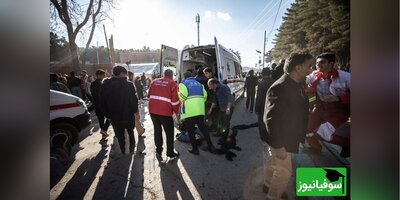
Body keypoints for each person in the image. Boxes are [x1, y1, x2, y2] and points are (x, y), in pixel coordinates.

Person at [263, 52, 313, 199]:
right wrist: (278, 146)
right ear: (298, 68)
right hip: (281, 139)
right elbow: (270, 119)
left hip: (287, 136)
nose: (311, 69)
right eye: (309, 66)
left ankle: (267, 185)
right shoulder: (280, 87)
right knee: (284, 172)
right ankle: (272, 196)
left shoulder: (298, 84)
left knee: (272, 162)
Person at [305, 52, 351, 157]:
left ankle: (348, 144)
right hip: (320, 107)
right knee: (306, 127)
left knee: (323, 133)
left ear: (331, 64)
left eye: (322, 62)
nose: (318, 65)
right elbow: (302, 79)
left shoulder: (345, 77)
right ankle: (315, 148)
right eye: (317, 63)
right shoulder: (314, 75)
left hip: (339, 110)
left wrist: (338, 98)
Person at [100, 66, 138, 154]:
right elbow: (133, 101)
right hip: (128, 115)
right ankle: (132, 147)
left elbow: (102, 102)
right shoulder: (129, 85)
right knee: (130, 131)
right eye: (125, 74)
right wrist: (135, 111)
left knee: (119, 134)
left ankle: (123, 150)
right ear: (121, 74)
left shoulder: (105, 84)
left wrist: (108, 116)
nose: (126, 76)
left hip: (113, 117)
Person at [178, 71, 216, 155]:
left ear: (184, 77)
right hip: (200, 111)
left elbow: (182, 97)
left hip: (189, 112)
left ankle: (195, 149)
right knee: (203, 129)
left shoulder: (183, 84)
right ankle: (210, 146)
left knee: (190, 131)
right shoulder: (199, 84)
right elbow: (205, 97)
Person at [147, 69, 180, 160]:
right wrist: (176, 113)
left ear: (164, 74)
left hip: (153, 111)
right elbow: (175, 102)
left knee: (157, 131)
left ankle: (158, 151)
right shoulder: (172, 84)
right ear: (172, 75)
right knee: (169, 133)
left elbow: (148, 95)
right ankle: (170, 153)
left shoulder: (154, 82)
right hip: (165, 112)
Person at [254, 67, 276, 195]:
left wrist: (257, 109)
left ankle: (264, 139)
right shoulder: (275, 81)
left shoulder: (262, 83)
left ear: (263, 75)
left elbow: (259, 98)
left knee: (262, 125)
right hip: (273, 109)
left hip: (263, 109)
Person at [90, 69, 111, 138]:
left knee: (101, 120)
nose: (104, 76)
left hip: (96, 105)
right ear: (99, 75)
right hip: (102, 105)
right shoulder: (101, 84)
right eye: (103, 75)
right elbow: (103, 95)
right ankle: (104, 130)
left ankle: (103, 132)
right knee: (110, 117)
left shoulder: (92, 83)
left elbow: (92, 95)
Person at [127, 70, 145, 136]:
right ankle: (140, 131)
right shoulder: (130, 83)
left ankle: (140, 130)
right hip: (131, 105)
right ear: (130, 75)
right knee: (136, 119)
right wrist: (136, 108)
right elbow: (133, 97)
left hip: (125, 106)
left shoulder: (128, 82)